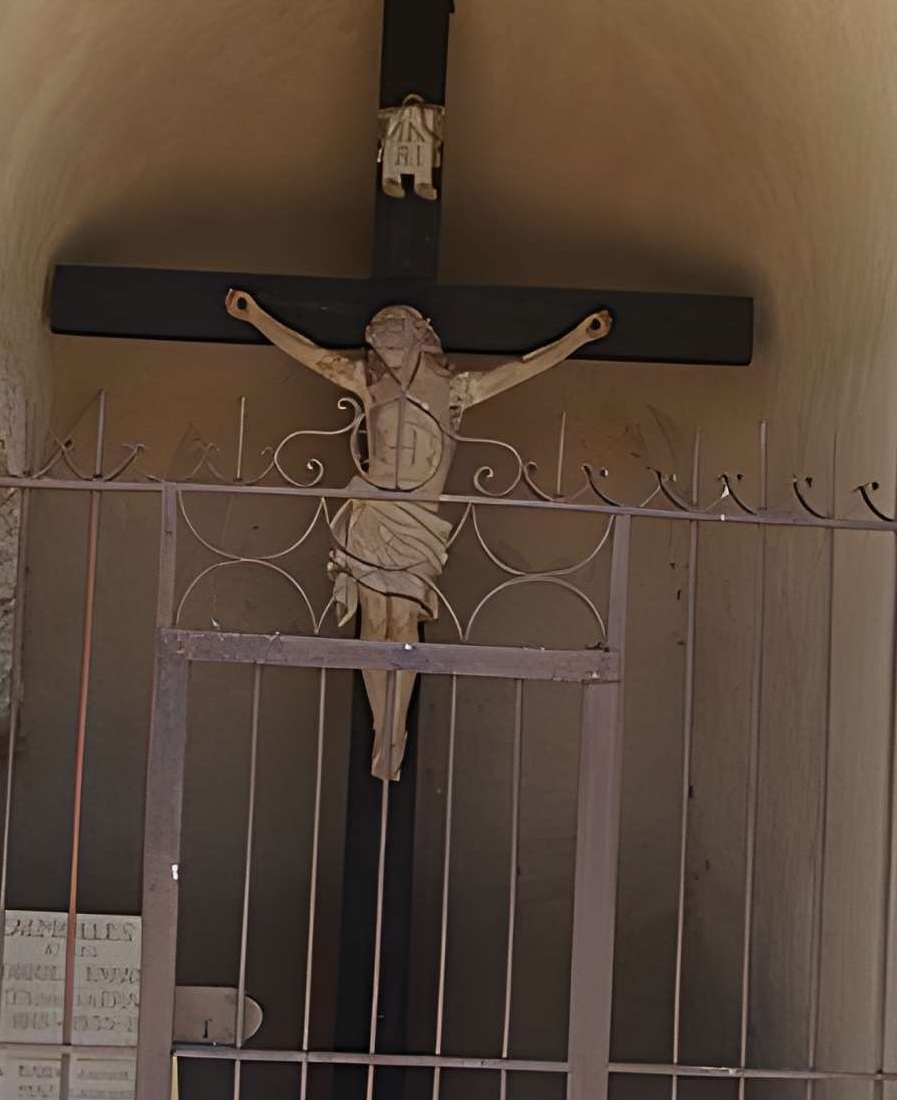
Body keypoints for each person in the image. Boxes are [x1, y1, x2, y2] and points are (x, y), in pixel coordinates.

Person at [224, 289, 611, 777]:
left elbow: (522, 369)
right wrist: (256, 315)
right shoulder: (370, 383)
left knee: (403, 624)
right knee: (374, 622)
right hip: (372, 510)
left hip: (417, 523)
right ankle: (380, 722)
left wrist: (578, 336)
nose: (382, 337)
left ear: (420, 334)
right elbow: (311, 355)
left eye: (393, 327)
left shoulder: (453, 390)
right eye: (377, 331)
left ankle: (394, 727)